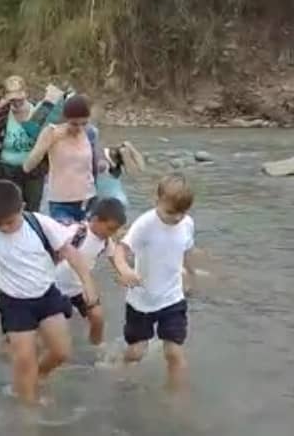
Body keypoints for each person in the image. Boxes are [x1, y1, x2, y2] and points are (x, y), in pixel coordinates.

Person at [0, 180, 98, 406]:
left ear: (22, 207)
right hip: (14, 303)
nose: (6, 228)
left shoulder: (39, 223)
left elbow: (71, 253)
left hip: (46, 296)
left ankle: (39, 376)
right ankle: (28, 412)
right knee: (24, 360)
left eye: (10, 222)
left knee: (61, 352)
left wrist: (87, 283)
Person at [111, 174, 198, 392]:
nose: (177, 218)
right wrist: (125, 270)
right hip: (142, 300)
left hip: (172, 298)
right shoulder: (145, 224)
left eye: (182, 213)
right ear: (157, 200)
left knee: (174, 352)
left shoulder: (187, 223)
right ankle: (120, 370)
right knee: (137, 352)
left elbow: (186, 250)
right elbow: (120, 250)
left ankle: (175, 400)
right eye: (171, 212)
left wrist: (191, 273)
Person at [0, 76, 61, 212]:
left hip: (34, 172)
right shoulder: (1, 115)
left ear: (26, 94)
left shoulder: (39, 113)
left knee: (32, 210)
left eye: (19, 98)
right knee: (8, 209)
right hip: (5, 171)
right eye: (12, 99)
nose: (16, 102)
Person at [54, 197, 127, 348]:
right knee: (53, 329)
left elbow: (116, 261)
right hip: (55, 288)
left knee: (97, 317)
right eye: (110, 228)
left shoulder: (106, 241)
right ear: (95, 219)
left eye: (116, 230)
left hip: (80, 288)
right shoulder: (77, 232)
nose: (112, 233)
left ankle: (96, 348)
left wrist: (127, 275)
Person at [24, 94, 103, 224]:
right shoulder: (52, 133)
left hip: (88, 199)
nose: (79, 128)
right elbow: (28, 166)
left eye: (84, 123)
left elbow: (95, 164)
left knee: (85, 241)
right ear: (66, 119)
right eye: (74, 124)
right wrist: (44, 144)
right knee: (64, 240)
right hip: (60, 202)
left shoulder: (90, 133)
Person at [95, 141, 145, 213]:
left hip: (110, 202)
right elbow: (137, 170)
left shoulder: (105, 158)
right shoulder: (105, 160)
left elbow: (137, 170)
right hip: (115, 201)